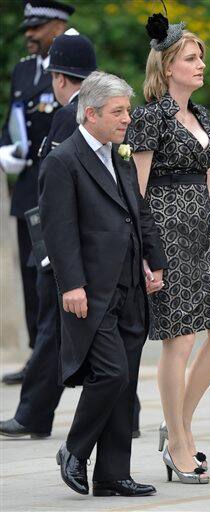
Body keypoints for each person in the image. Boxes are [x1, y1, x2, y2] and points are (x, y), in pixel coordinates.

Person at [127, 13, 210, 484]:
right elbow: (137, 192)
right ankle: (180, 442)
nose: (201, 64)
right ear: (167, 67)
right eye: (191, 57)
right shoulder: (148, 118)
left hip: (202, 237)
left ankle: (176, 422)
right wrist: (146, 254)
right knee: (178, 342)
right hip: (164, 237)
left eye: (201, 57)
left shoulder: (200, 116)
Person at [39, 70, 167, 497]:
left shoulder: (122, 155)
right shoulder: (62, 161)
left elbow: (140, 212)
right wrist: (71, 284)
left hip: (131, 283)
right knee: (110, 375)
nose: (127, 118)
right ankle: (74, 450)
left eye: (127, 110)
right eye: (118, 111)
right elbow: (59, 231)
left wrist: (155, 261)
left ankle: (113, 475)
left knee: (126, 380)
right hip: (90, 291)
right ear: (90, 113)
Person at [0, 29, 96, 439]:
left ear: (58, 78)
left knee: (51, 329)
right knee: (101, 331)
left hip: (64, 244)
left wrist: (48, 251)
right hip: (95, 241)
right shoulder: (103, 109)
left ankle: (33, 415)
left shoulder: (66, 115)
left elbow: (54, 189)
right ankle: (124, 415)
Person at [0, 0, 74, 385]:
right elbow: (13, 120)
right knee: (32, 281)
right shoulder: (24, 70)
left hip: (58, 190)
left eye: (37, 27)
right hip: (28, 188)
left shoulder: (76, 65)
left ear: (58, 26)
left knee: (56, 280)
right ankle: (37, 356)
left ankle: (59, 358)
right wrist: (5, 151)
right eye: (28, 27)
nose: (29, 34)